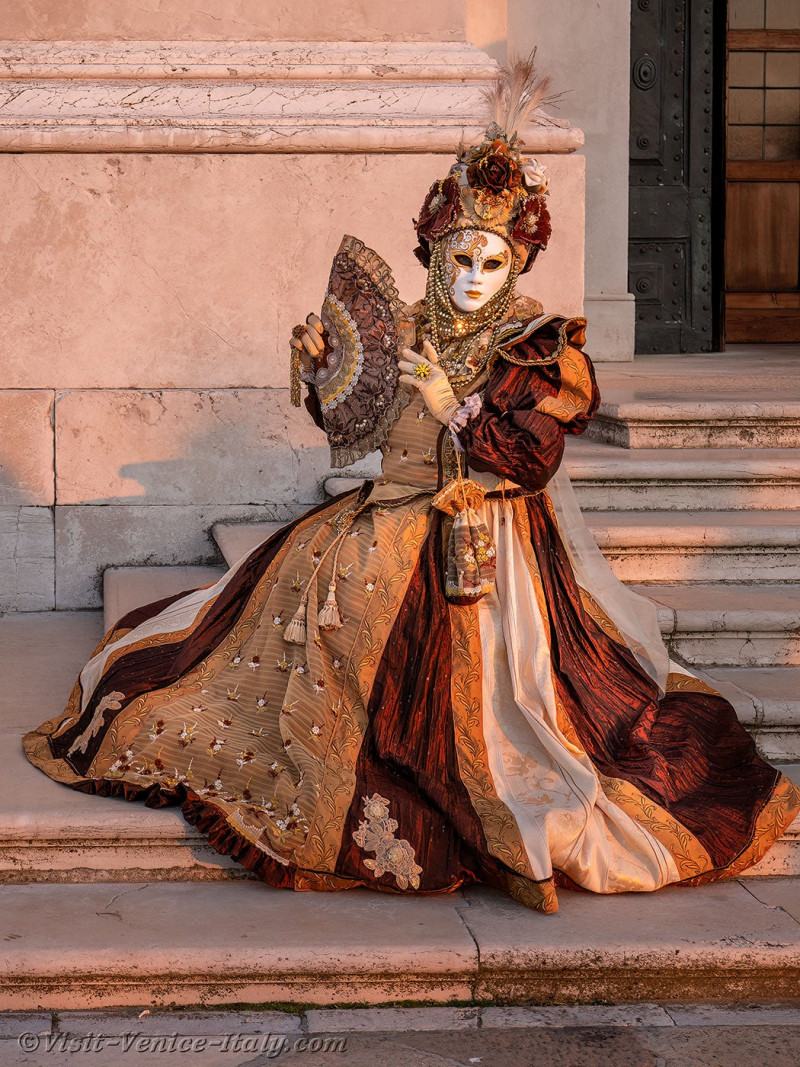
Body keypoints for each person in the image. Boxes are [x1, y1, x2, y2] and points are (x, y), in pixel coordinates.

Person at [24, 60, 799, 914]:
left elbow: (531, 460)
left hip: (490, 540)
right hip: (382, 516)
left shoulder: (541, 347)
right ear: (435, 253)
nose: (473, 276)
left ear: (516, 263)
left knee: (498, 710)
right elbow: (349, 428)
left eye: (492, 261)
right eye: (460, 256)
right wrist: (325, 371)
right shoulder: (406, 329)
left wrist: (458, 410)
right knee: (245, 632)